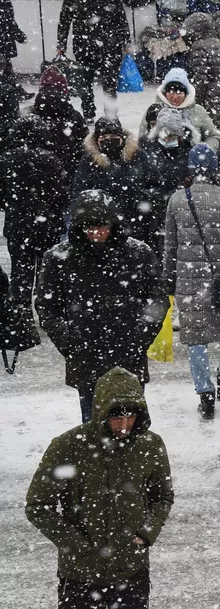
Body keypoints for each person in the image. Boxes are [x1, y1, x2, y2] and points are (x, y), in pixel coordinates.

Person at [26, 366, 174, 609]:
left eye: (130, 414)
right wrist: (74, 544)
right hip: (80, 575)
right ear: (100, 411)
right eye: (116, 415)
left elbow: (162, 497)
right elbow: (38, 506)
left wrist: (146, 532)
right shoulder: (68, 446)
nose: (123, 424)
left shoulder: (150, 446)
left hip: (130, 570)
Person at [36, 191, 169, 422]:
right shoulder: (59, 258)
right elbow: (48, 307)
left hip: (127, 357)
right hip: (87, 358)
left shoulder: (139, 254)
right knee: (93, 428)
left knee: (130, 428)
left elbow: (157, 300)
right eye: (88, 227)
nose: (95, 232)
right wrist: (70, 341)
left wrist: (139, 337)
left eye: (101, 226)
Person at [162, 143, 220, 419]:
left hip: (190, 281)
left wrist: (169, 276)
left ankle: (205, 392)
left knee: (196, 338)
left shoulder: (177, 200)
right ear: (215, 169)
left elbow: (170, 245)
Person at [0, 115, 68, 352]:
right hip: (46, 225)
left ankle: (22, 317)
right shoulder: (51, 160)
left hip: (18, 227)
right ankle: (46, 314)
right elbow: (61, 195)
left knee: (21, 274)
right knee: (45, 274)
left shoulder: (6, 160)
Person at [73, 117, 150, 240]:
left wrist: (142, 199)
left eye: (113, 138)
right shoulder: (88, 161)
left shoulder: (138, 156)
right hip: (102, 225)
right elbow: (80, 192)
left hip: (137, 221)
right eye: (104, 138)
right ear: (97, 140)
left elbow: (155, 183)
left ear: (122, 138)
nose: (109, 141)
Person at [138, 108, 201, 255]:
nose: (167, 138)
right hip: (154, 208)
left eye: (172, 134)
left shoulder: (188, 150)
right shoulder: (146, 148)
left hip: (180, 208)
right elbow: (141, 177)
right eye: (164, 133)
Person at [55, 0, 129, 120]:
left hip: (94, 43)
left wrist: (61, 44)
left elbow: (64, 20)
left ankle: (96, 113)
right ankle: (96, 113)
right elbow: (121, 18)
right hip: (102, 43)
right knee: (94, 81)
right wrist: (61, 44)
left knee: (91, 81)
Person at [182, 12, 220, 138]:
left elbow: (201, 79)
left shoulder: (198, 46)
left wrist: (197, 99)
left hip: (209, 96)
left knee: (208, 132)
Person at [141, 68, 220, 150]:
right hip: (159, 160)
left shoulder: (198, 111)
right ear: (165, 92)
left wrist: (203, 151)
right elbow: (142, 139)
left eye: (180, 93)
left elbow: (213, 136)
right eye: (171, 92)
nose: (175, 97)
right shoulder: (154, 111)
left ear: (186, 93)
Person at [29, 66, 88, 173]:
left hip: (34, 175)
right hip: (69, 172)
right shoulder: (75, 116)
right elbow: (86, 147)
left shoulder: (29, 116)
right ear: (64, 90)